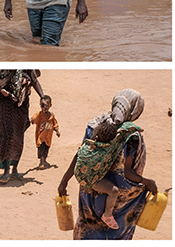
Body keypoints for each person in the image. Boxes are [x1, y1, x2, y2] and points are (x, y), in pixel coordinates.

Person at [58, 89, 159, 239]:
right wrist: (147, 182)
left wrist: (64, 182)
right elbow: (127, 173)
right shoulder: (131, 136)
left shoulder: (94, 126)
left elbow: (80, 155)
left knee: (88, 231)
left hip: (89, 195)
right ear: (133, 111)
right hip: (115, 203)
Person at [0, 69, 43, 184]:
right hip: (4, 102)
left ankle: (14, 169)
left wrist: (42, 97)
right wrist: (0, 90)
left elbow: (35, 80)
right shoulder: (1, 67)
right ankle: (6, 171)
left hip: (21, 103)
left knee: (18, 136)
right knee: (8, 134)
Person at [30, 94, 60, 169]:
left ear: (50, 105)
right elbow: (33, 118)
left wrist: (57, 131)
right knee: (41, 149)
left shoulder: (51, 116)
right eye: (42, 105)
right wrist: (30, 120)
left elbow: (55, 123)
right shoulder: (39, 114)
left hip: (48, 137)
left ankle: (44, 160)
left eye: (46, 105)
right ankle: (41, 162)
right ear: (40, 105)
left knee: (46, 149)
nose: (44, 107)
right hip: (40, 137)